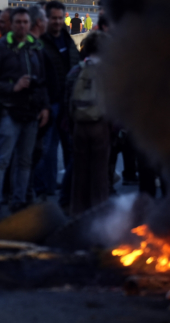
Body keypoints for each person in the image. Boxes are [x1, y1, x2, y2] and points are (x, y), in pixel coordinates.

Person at [0, 7, 49, 222]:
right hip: (8, 110)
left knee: (25, 161)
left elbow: (43, 80)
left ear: (31, 24)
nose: (22, 26)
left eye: (25, 22)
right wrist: (13, 87)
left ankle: (19, 202)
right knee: (1, 160)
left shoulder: (35, 47)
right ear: (11, 24)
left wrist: (45, 106)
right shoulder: (1, 47)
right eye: (18, 22)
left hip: (31, 111)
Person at [34, 1, 82, 201]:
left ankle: (71, 186)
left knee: (70, 145)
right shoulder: (40, 42)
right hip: (50, 101)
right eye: (53, 18)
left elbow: (76, 65)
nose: (57, 22)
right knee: (47, 147)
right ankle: (46, 188)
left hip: (68, 100)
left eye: (60, 18)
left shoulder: (67, 40)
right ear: (46, 19)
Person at [67, 31, 112, 214]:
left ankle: (78, 214)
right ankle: (99, 215)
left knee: (80, 173)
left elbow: (67, 99)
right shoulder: (109, 72)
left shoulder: (76, 70)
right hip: (101, 126)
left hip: (79, 126)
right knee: (100, 174)